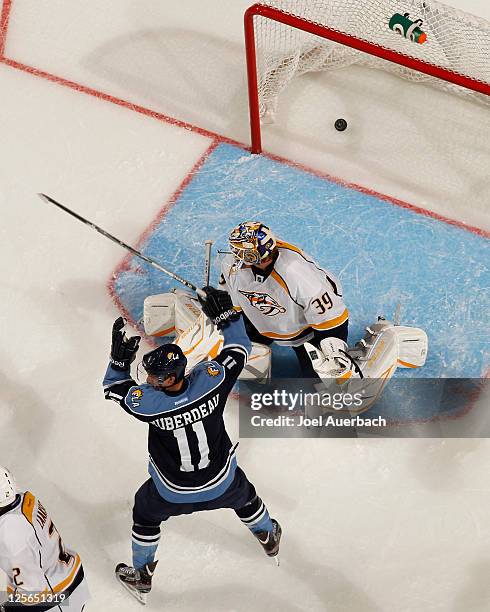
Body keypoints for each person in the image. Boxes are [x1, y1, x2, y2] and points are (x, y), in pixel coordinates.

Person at [103, 287, 281, 604]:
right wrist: (227, 316)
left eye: (153, 377)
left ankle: (142, 577)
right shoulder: (211, 381)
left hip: (170, 492)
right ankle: (267, 536)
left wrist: (118, 362)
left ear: (168, 379)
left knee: (144, 513)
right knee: (246, 496)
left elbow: (115, 387)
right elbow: (239, 347)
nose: (148, 380)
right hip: (221, 483)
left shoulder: (150, 404)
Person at [219, 221, 349, 377]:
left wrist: (333, 353)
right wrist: (221, 310)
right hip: (260, 316)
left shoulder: (295, 273)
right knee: (229, 345)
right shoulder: (232, 265)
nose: (234, 257)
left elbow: (332, 319)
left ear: (254, 256)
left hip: (305, 331)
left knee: (318, 379)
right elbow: (231, 295)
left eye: (240, 253)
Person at [0, 467, 89, 611]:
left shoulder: (11, 538)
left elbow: (34, 593)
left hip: (55, 598)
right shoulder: (22, 498)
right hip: (66, 576)